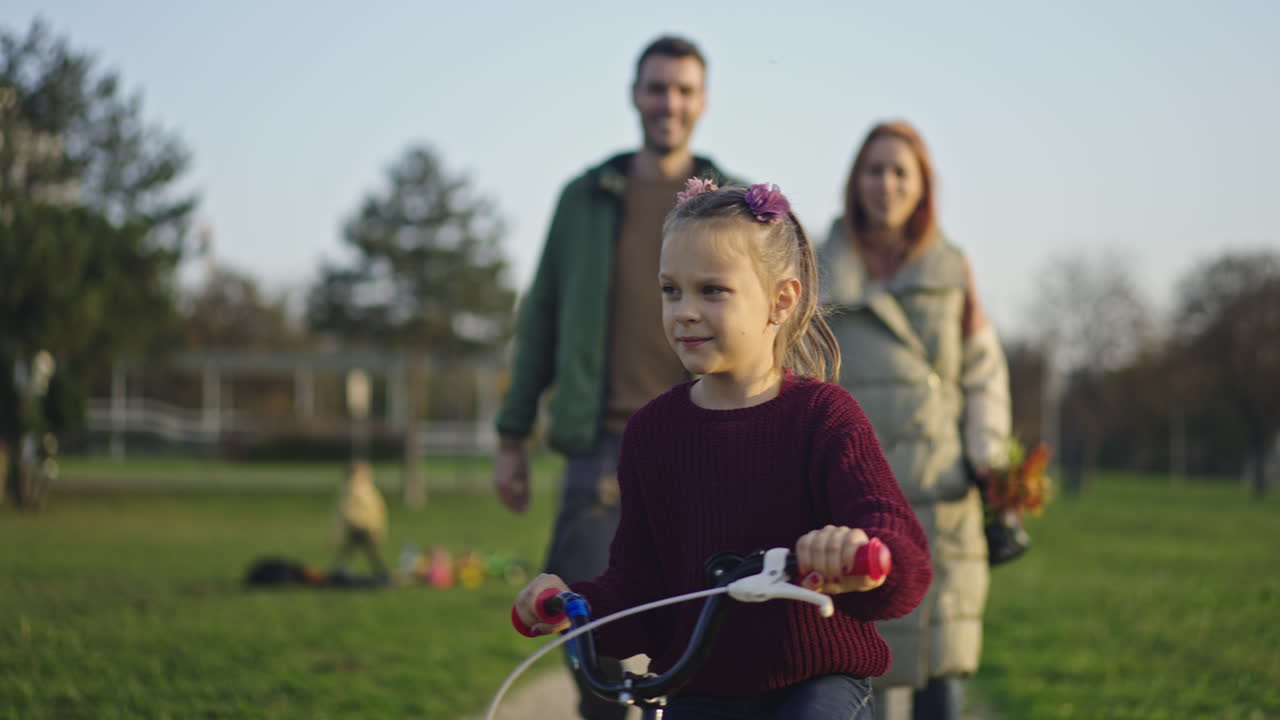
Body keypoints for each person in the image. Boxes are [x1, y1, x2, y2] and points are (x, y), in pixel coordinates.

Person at [514, 181, 932, 720]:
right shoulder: (653, 433)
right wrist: (576, 606)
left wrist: (865, 556)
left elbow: (904, 553)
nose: (684, 311)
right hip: (701, 688)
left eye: (712, 290)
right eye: (671, 290)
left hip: (815, 685)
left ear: (781, 300)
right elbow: (642, 589)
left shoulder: (824, 417)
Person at [492, 35, 741, 720]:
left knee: (710, 626)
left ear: (704, 101)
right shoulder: (585, 198)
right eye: (658, 88)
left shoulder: (732, 204)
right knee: (583, 628)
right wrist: (511, 436)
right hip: (602, 448)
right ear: (635, 95)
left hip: (707, 439)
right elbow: (540, 315)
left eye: (684, 90)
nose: (670, 103)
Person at [817, 121, 1012, 720]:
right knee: (862, 666)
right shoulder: (821, 269)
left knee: (940, 670)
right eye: (874, 170)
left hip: (940, 495)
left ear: (923, 184)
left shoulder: (952, 268)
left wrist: (987, 458)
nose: (887, 184)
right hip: (858, 496)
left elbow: (982, 369)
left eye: (901, 171)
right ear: (856, 181)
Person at [332, 460, 390, 582]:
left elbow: (374, 510)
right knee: (362, 550)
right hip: (359, 526)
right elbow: (348, 510)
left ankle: (382, 572)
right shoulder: (358, 489)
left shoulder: (359, 489)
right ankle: (382, 572)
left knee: (363, 550)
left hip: (363, 527)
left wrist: (375, 526)